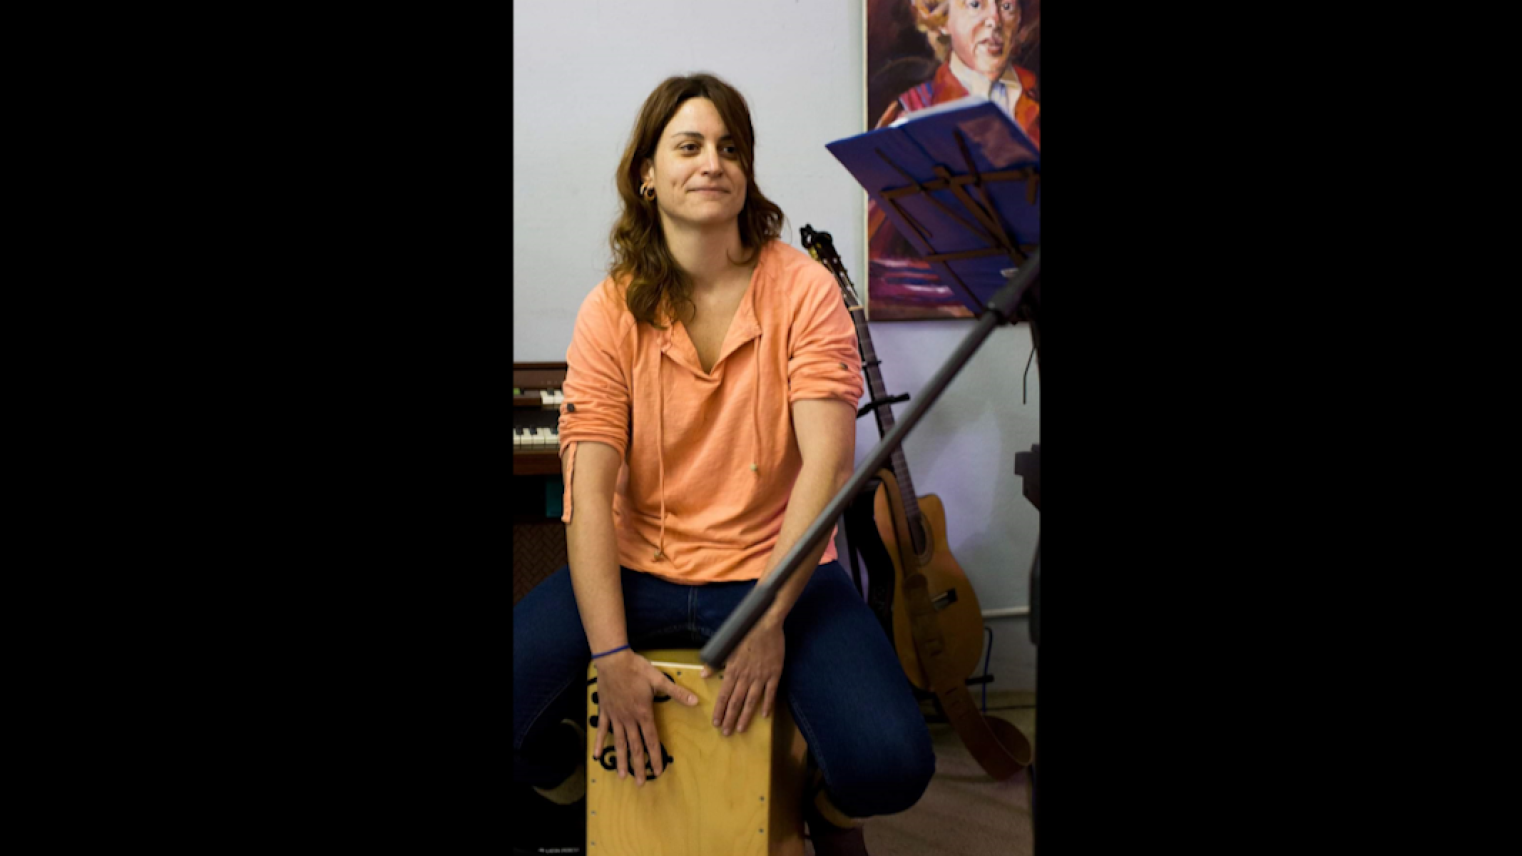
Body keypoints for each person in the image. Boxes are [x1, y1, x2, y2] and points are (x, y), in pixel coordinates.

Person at [512, 73, 935, 856]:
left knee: (893, 764)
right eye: (689, 145)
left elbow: (828, 463)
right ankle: (579, 796)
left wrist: (769, 615)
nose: (714, 162)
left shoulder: (804, 290)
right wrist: (611, 655)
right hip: (642, 572)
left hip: (778, 573)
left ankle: (820, 799)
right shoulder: (610, 308)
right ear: (647, 172)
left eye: (730, 147)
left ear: (747, 173)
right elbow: (591, 490)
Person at [868, 0, 1041, 318]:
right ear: (942, 19)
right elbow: (874, 258)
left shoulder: (1036, 105)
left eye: (1007, 6)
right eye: (975, 4)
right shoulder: (913, 113)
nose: (994, 20)